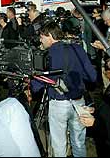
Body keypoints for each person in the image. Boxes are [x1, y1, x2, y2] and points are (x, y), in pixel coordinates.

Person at [30, 21, 97, 157]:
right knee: (79, 143)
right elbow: (92, 76)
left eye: (42, 37)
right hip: (79, 102)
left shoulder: (45, 55)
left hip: (58, 104)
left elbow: (36, 86)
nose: (40, 41)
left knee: (59, 144)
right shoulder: (77, 48)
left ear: (49, 36)